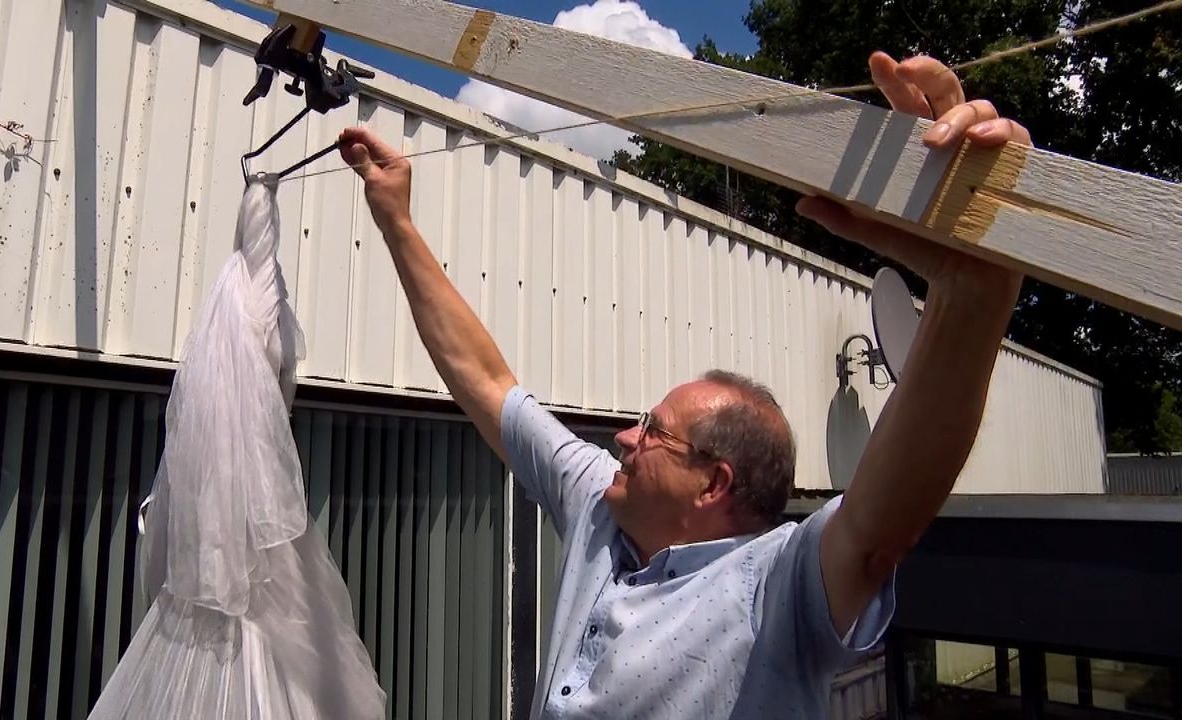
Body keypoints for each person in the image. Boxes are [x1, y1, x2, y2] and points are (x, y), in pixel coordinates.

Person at [336, 51, 1030, 719]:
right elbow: (486, 381)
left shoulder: (778, 587)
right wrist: (395, 218)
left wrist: (970, 300)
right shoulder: (601, 507)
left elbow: (879, 530)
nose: (621, 438)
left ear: (714, 484)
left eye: (652, 430)